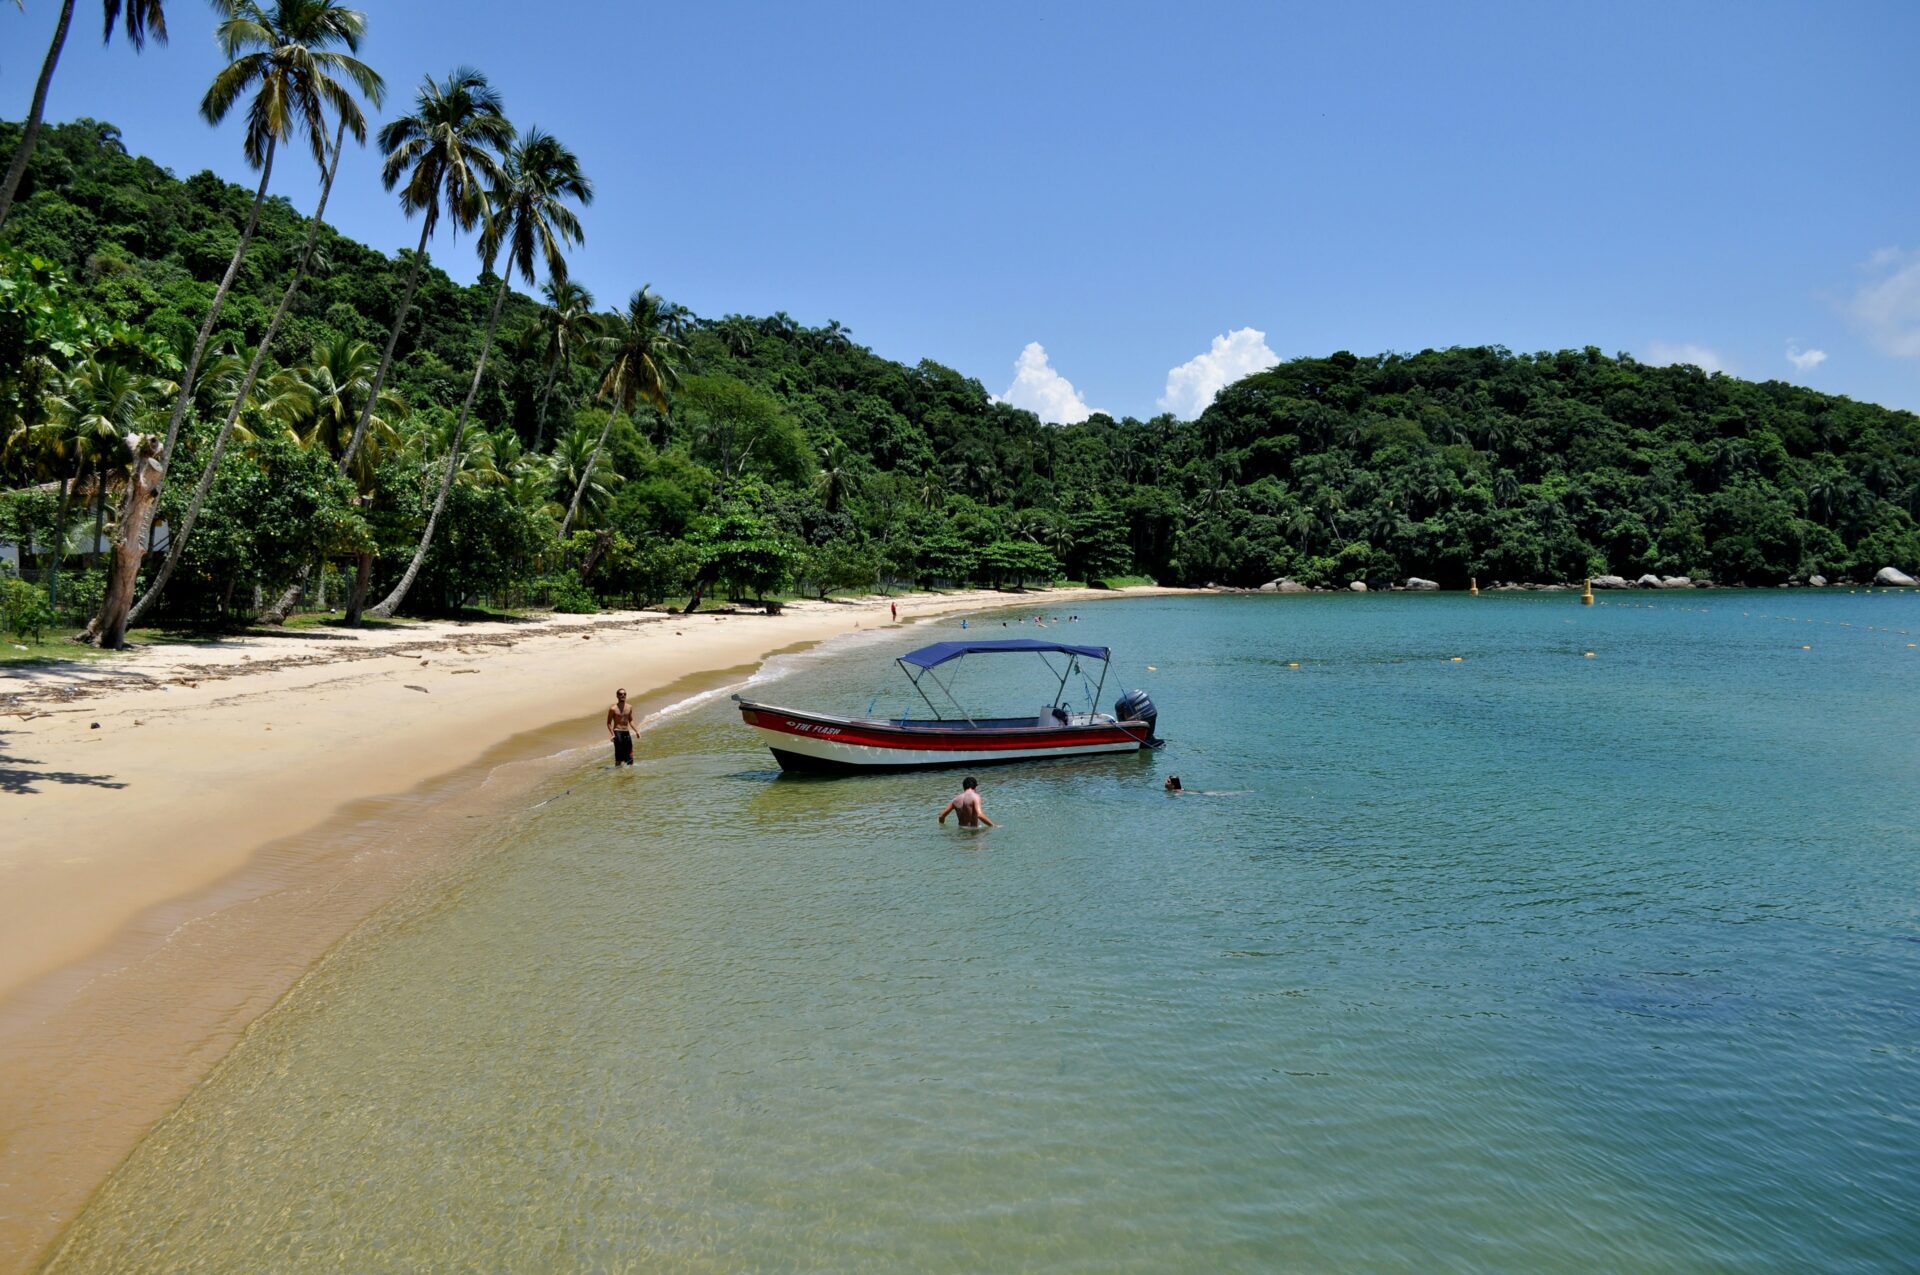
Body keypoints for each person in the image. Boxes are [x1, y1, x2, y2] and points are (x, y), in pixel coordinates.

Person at [606, 688, 637, 766]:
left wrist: (637, 731)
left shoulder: (629, 707)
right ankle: (617, 772)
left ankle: (630, 774)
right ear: (617, 696)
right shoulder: (613, 709)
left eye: (624, 694)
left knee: (630, 754)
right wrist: (612, 734)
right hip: (617, 732)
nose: (623, 695)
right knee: (619, 754)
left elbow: (631, 720)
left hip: (626, 732)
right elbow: (609, 723)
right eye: (620, 694)